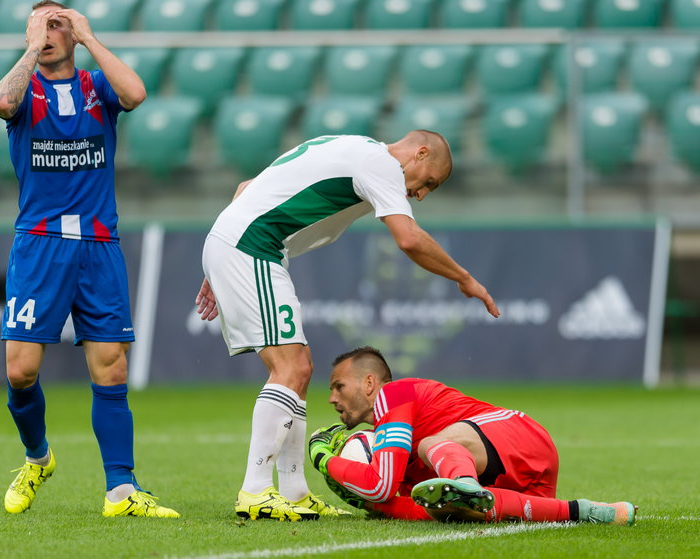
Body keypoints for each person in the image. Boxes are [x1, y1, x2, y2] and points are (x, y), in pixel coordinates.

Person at [194, 132, 500, 521]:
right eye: (429, 182)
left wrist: (220, 259)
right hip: (253, 246)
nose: (421, 194)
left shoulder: (348, 144)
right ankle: (255, 490)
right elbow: (408, 238)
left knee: (299, 367)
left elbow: (246, 188)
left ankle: (294, 491)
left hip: (246, 245)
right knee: (290, 368)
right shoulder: (382, 165)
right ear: (420, 153)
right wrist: (464, 278)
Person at [0, 1, 178, 518]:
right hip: (39, 244)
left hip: (98, 246)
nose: (49, 33)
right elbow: (1, 103)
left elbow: (136, 94)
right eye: (40, 24)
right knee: (21, 371)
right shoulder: (24, 87)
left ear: (73, 33)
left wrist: (90, 38)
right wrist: (31, 45)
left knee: (112, 369)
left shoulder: (97, 87)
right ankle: (38, 457)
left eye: (58, 25)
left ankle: (121, 490)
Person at [308, 346, 637, 525]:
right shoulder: (390, 441)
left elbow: (379, 485)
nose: (332, 398)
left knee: (430, 446)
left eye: (339, 386)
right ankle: (590, 511)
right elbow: (392, 498)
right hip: (520, 480)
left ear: (368, 383)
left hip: (518, 434)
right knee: (447, 510)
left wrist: (325, 460)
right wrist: (381, 508)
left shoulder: (393, 395)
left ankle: (466, 486)